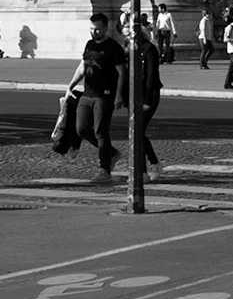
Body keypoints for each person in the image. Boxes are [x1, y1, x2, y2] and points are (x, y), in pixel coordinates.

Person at [65, 12, 129, 184]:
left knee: (101, 131)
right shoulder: (89, 44)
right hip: (87, 94)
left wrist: (119, 96)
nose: (94, 33)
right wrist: (71, 85)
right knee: (81, 129)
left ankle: (104, 169)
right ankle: (112, 153)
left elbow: (122, 73)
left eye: (97, 29)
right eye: (91, 29)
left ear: (106, 28)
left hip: (105, 95)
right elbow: (83, 66)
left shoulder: (114, 48)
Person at [129, 16, 164, 181]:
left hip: (148, 95)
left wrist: (147, 100)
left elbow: (151, 76)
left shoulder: (149, 49)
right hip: (134, 95)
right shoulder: (129, 51)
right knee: (137, 132)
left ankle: (147, 168)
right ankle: (148, 166)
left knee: (138, 132)